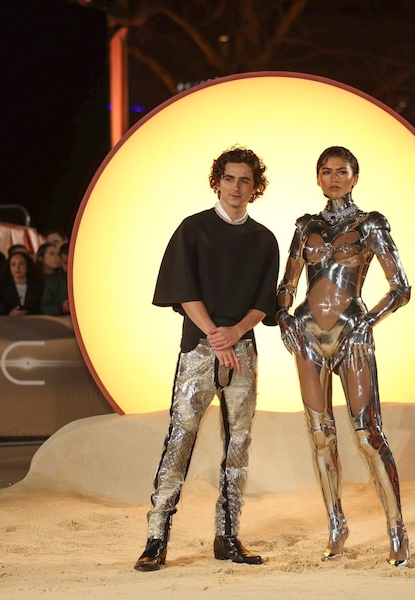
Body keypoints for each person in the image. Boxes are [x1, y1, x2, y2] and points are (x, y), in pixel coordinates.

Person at [134, 146, 279, 572]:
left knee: (238, 446)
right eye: (230, 178)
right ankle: (156, 538)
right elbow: (183, 289)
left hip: (243, 353)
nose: (237, 187)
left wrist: (235, 333)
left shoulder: (264, 239)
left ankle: (228, 535)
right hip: (199, 349)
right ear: (218, 181)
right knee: (179, 440)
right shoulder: (192, 230)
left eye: (245, 180)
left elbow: (264, 302)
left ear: (256, 187)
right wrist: (218, 336)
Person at [275, 146, 411, 567]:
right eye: (326, 171)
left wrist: (367, 322)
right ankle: (336, 525)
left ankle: (397, 529)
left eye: (342, 171)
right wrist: (284, 316)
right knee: (320, 434)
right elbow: (288, 282)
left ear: (355, 177)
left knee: (368, 435)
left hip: (351, 333)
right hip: (309, 335)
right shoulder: (305, 226)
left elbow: (401, 287)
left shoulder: (370, 224)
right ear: (318, 178)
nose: (334, 178)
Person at [0, 250, 42, 315]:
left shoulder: (38, 286)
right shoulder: (2, 287)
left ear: (27, 266)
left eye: (21, 264)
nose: (17, 268)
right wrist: (9, 313)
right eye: (13, 264)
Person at [41, 243, 69, 316]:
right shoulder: (52, 281)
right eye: (66, 263)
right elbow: (45, 307)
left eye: (73, 263)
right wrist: (61, 307)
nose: (70, 267)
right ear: (60, 260)